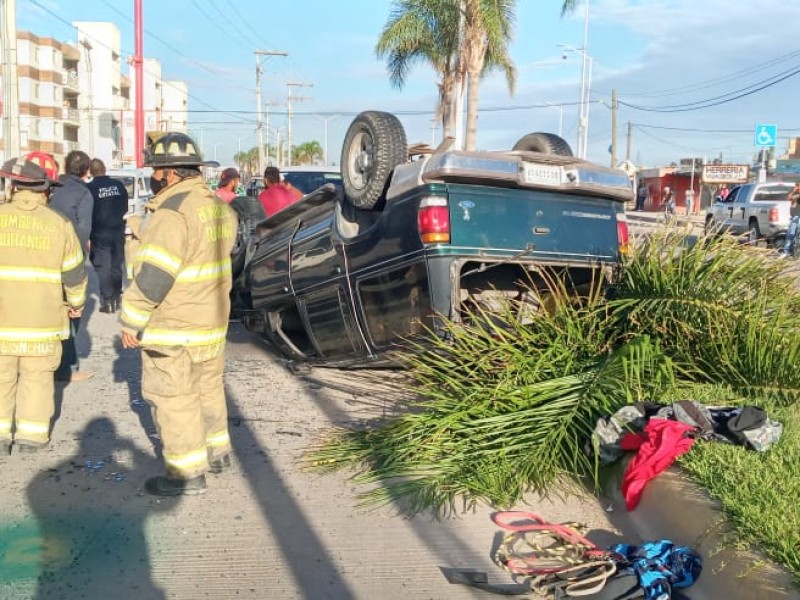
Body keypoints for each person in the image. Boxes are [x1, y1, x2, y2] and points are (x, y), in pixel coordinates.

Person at [119, 131, 238, 496]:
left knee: (174, 398)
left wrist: (131, 320)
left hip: (176, 328)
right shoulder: (219, 207)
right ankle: (217, 452)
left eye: (156, 171)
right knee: (208, 389)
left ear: (169, 174)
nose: (154, 178)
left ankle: (187, 472)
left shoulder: (172, 214)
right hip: (211, 322)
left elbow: (154, 276)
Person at [0, 156, 87, 453]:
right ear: (44, 190)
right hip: (42, 322)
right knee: (37, 379)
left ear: (14, 187)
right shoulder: (59, 224)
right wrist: (76, 304)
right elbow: (74, 272)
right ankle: (31, 437)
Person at [48, 149, 94, 382]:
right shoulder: (83, 193)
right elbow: (83, 230)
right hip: (68, 257)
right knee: (71, 311)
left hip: (44, 255)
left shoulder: (52, 187)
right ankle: (66, 366)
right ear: (87, 170)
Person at [87, 158, 129, 313]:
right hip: (117, 230)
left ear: (91, 172)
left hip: (99, 233)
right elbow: (124, 206)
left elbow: (87, 212)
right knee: (116, 265)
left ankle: (108, 301)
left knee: (103, 266)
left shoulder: (90, 188)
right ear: (104, 169)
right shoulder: (118, 185)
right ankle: (117, 296)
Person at [779, 182, 800, 257]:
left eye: (798, 185)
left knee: (796, 234)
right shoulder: (795, 194)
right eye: (797, 185)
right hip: (794, 217)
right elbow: (789, 198)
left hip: (798, 217)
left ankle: (791, 251)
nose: (797, 187)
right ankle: (787, 251)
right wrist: (794, 191)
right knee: (791, 234)